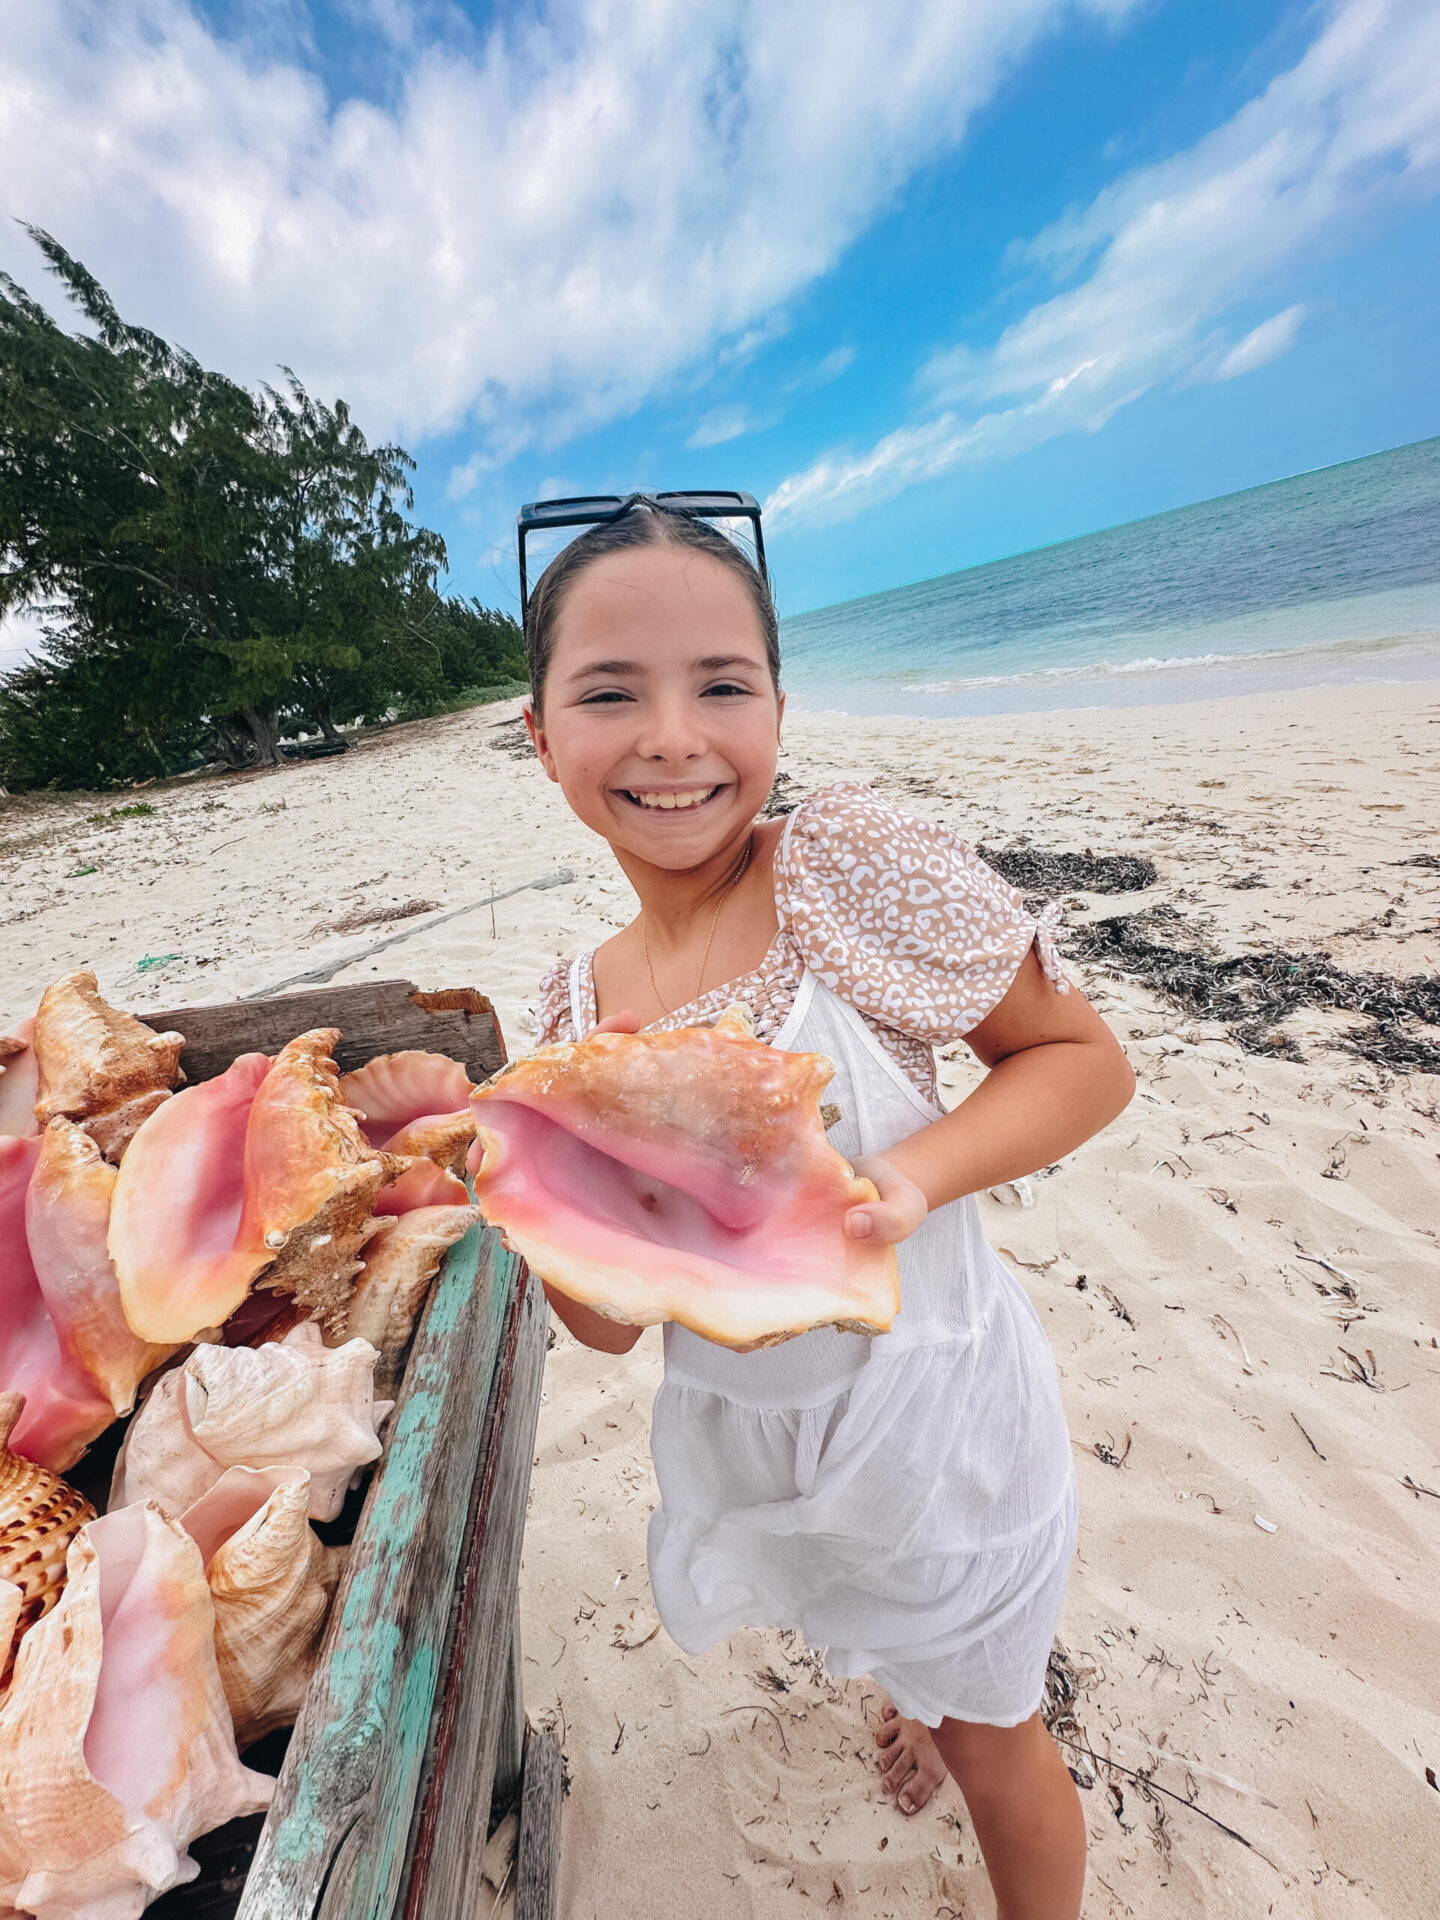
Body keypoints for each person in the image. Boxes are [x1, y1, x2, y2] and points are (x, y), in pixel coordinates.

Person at [521, 498, 1134, 1920]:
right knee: (886, 1643)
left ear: (780, 711)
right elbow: (604, 1330)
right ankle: (914, 1694)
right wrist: (552, 1202)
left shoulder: (839, 869)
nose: (673, 737)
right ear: (540, 736)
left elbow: (1082, 1060)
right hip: (770, 1455)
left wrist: (915, 1179)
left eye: (722, 686)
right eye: (610, 693)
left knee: (994, 1735)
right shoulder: (570, 1010)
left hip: (945, 1424)